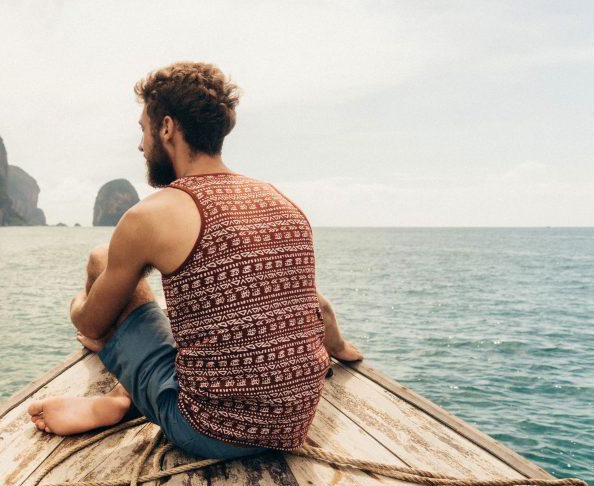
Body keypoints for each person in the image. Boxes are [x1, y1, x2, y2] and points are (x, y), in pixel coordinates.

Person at [27, 62, 362, 458]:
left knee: (102, 261)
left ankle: (118, 401)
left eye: (143, 130)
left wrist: (78, 310)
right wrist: (340, 348)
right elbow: (315, 306)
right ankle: (127, 385)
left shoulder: (148, 216)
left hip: (206, 431)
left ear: (166, 128)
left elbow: (92, 322)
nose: (140, 145)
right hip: (293, 423)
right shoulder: (280, 202)